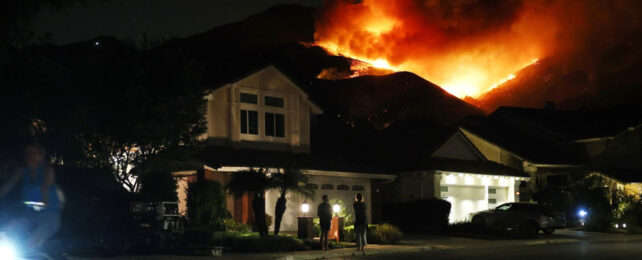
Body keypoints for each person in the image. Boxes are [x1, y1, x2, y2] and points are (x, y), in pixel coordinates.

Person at [0, 143, 63, 254]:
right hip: (29, 215)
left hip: (49, 216)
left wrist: (41, 204)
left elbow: (45, 191)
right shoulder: (23, 171)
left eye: (33, 153)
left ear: (41, 156)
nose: (29, 156)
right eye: (27, 153)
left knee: (32, 242)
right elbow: (8, 185)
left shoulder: (47, 171)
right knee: (8, 231)